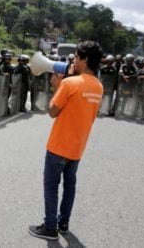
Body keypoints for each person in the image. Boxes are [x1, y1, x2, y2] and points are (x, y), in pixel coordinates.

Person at [28, 40, 103, 241]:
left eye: (77, 57)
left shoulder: (70, 83)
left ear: (85, 59)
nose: (74, 61)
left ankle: (50, 228)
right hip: (78, 147)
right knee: (69, 186)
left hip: (59, 145)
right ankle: (63, 223)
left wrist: (56, 85)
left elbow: (52, 111)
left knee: (51, 186)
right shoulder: (98, 87)